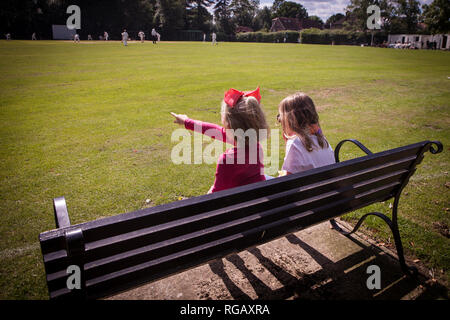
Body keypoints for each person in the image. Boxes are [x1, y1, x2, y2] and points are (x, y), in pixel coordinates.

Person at [170, 87, 269, 193]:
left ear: (229, 124)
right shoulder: (256, 147)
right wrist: (187, 121)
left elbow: (215, 197)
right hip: (258, 201)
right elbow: (215, 131)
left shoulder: (227, 160)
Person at [277, 92, 335, 175]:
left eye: (280, 118)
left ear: (289, 120)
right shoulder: (322, 140)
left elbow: (285, 180)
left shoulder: (295, 144)